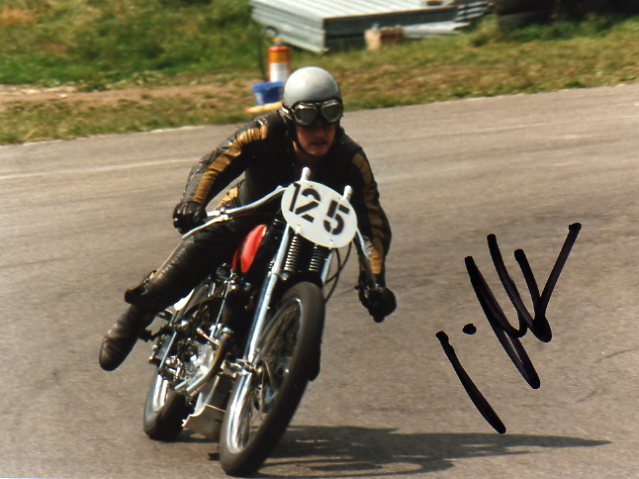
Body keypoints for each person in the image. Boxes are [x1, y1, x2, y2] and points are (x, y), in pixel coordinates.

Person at [99, 66, 396, 372]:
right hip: (246, 214)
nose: (320, 131)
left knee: (307, 364)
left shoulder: (351, 159)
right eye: (308, 118)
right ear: (291, 117)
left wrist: (374, 282)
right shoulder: (266, 131)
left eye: (330, 116)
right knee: (189, 259)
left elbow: (372, 222)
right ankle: (137, 315)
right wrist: (193, 202)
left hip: (307, 243)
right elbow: (214, 163)